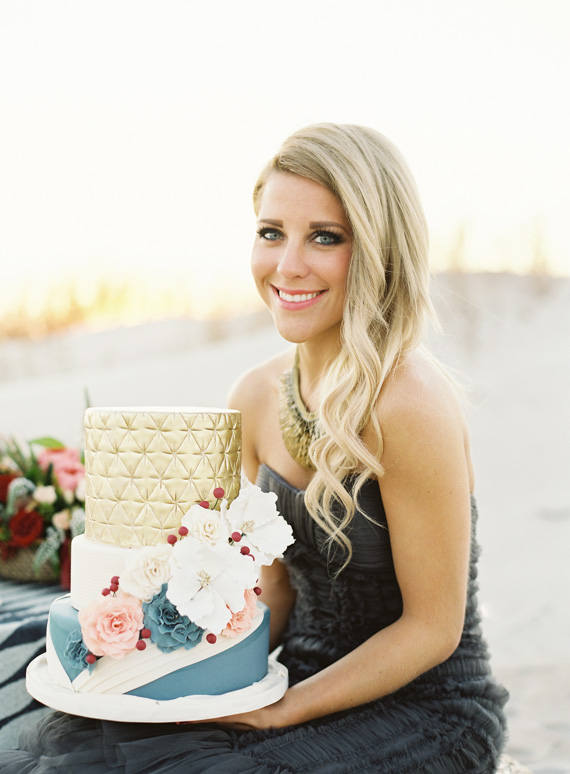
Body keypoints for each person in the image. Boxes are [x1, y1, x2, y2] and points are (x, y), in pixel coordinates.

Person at [3, 123, 508, 773]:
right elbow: (273, 589)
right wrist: (179, 672)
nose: (288, 264)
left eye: (325, 237)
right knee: (94, 737)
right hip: (290, 677)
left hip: (425, 710)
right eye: (272, 232)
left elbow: (432, 629)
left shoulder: (409, 405)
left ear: (379, 250)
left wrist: (282, 711)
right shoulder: (255, 395)